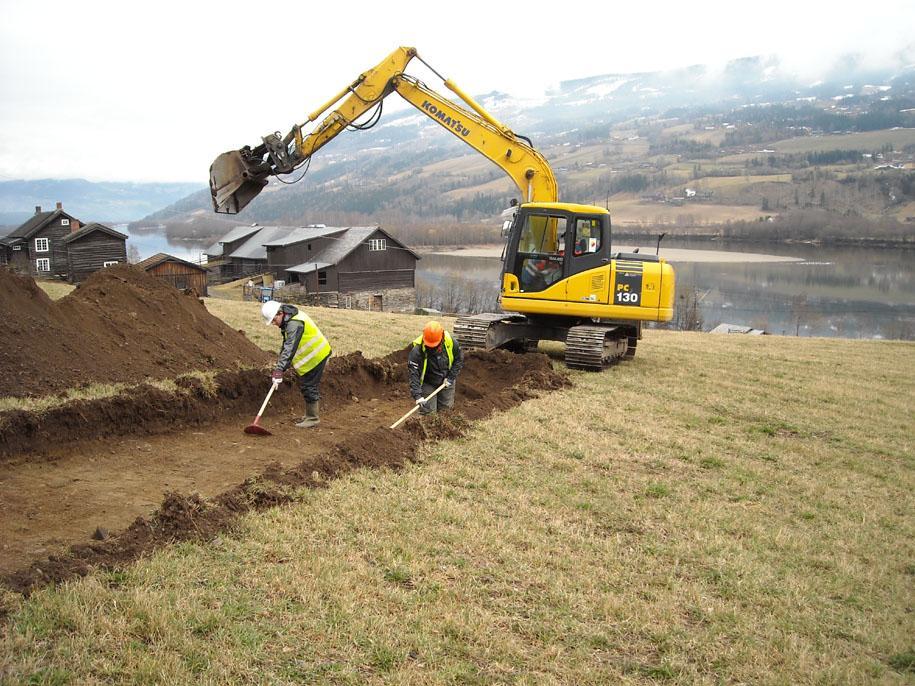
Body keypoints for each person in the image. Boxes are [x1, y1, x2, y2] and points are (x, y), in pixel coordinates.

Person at [261, 300, 331, 428]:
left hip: (317, 355)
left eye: (273, 321)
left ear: (280, 313)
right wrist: (279, 368)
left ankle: (312, 418)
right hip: (312, 357)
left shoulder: (294, 323)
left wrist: (279, 371)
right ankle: (310, 415)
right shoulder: (289, 319)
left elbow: (290, 348)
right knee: (306, 385)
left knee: (309, 386)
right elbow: (286, 346)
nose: (274, 324)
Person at [408, 321, 464, 415]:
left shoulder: (451, 343)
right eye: (430, 346)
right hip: (428, 382)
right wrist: (417, 396)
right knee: (428, 414)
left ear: (442, 338)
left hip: (446, 379)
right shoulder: (417, 351)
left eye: (435, 345)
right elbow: (414, 374)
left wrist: (450, 377)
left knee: (446, 412)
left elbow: (458, 360)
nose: (432, 348)